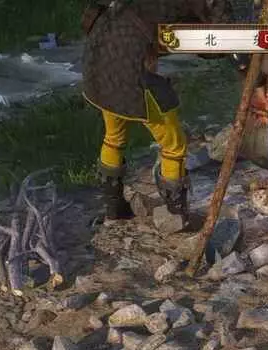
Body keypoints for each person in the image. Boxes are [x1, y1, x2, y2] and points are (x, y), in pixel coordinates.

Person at [81, 0, 233, 226]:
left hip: (97, 61)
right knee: (174, 145)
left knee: (113, 137)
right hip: (128, 69)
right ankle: (175, 216)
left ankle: (114, 209)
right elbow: (221, 36)